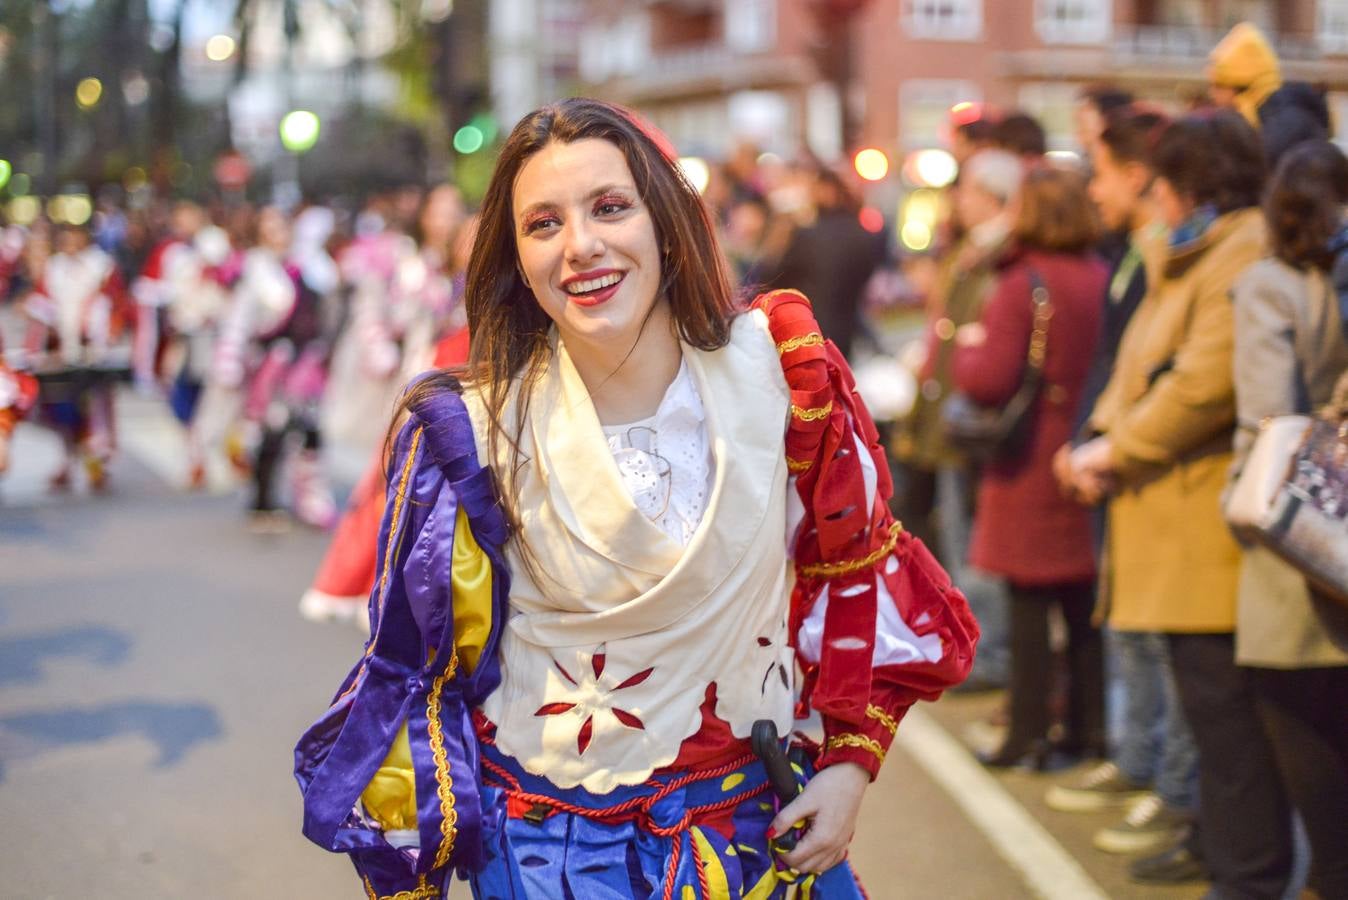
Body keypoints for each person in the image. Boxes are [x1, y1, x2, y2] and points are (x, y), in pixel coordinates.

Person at [295, 97, 979, 899]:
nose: (580, 245)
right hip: (546, 854)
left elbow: (852, 567)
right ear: (515, 258)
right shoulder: (469, 430)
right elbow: (420, 674)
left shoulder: (783, 370)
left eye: (610, 207)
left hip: (753, 836)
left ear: (665, 223)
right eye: (543, 224)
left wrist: (849, 767)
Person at [1070, 111, 1293, 897]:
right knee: (1213, 719)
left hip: (1206, 526)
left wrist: (1114, 447)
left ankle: (1245, 875)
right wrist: (1104, 434)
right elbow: (1141, 366)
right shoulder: (1189, 250)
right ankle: (1223, 856)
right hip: (1174, 515)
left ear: (1185, 183)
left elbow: (1202, 383)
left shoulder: (1240, 248)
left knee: (1229, 726)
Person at [1045, 106, 1202, 862]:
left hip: (1150, 471)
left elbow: (1176, 380)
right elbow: (1119, 366)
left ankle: (1173, 789)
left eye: (1101, 171)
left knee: (1165, 648)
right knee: (1130, 631)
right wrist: (1090, 440)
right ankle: (1141, 762)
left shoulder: (1176, 258)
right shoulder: (1139, 255)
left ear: (1142, 178)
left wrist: (1107, 445)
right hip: (1118, 459)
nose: (1093, 188)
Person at [952, 166, 1107, 767]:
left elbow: (990, 379)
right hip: (1087, 448)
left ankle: (1027, 733)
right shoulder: (1100, 274)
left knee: (1028, 605)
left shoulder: (1023, 283)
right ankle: (1088, 731)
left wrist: (967, 351)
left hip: (1031, 459)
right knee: (1082, 604)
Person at [1229, 140, 1348, 900]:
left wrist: (1236, 502)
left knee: (1303, 734)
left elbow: (1266, 419)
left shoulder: (1271, 285)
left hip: (1304, 535)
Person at [893, 148, 1022, 690]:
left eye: (967, 190)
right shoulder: (971, 252)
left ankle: (989, 654)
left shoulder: (1003, 256)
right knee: (957, 537)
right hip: (950, 418)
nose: (958, 200)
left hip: (972, 423)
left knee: (975, 545)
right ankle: (971, 646)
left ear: (991, 196)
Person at [763, 166, 886, 361]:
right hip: (845, 329)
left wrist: (780, 235)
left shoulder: (807, 236)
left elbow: (772, 277)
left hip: (808, 331)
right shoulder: (860, 234)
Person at [1207, 21, 1330, 168]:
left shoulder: (1281, 130)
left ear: (1240, 86)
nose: (1212, 94)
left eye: (1218, 85)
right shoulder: (1263, 119)